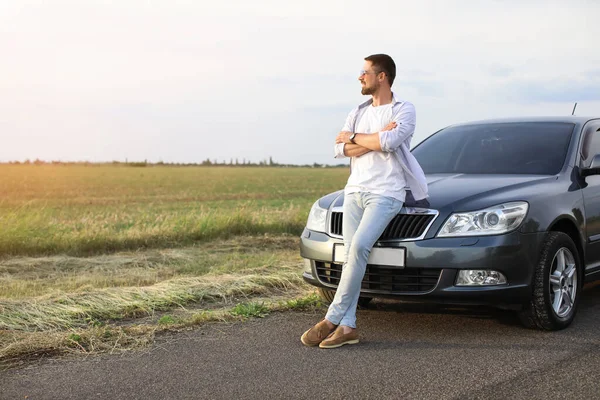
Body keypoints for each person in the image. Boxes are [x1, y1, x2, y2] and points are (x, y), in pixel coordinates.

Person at [300, 54, 429, 349]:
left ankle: (331, 319)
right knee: (350, 256)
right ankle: (348, 328)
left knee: (358, 248)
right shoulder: (357, 110)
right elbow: (339, 148)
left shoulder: (404, 109)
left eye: (365, 72)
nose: (360, 77)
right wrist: (370, 139)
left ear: (381, 76)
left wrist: (358, 138)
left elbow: (388, 143)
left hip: (386, 194)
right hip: (354, 192)